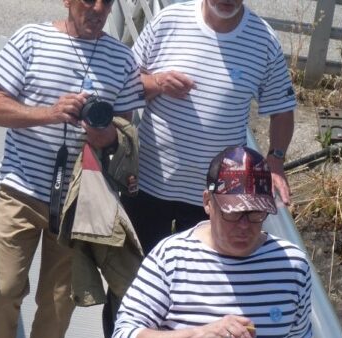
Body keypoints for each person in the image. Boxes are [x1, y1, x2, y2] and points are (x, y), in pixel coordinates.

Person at [0, 0, 145, 338]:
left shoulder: (122, 60)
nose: (98, 9)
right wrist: (51, 113)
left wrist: (107, 135)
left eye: (107, 2)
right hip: (21, 190)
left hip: (79, 201)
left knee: (58, 305)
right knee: (4, 289)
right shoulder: (31, 39)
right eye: (88, 0)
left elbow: (125, 130)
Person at [111, 146, 312, 338]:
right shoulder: (171, 256)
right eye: (232, 212)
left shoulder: (292, 267)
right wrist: (204, 334)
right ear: (208, 202)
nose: (244, 225)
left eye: (255, 213)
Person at [121, 0, 297, 255]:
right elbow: (125, 83)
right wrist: (157, 82)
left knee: (202, 274)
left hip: (218, 194)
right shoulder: (167, 21)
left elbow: (282, 108)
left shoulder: (264, 40)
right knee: (136, 268)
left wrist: (276, 161)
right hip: (149, 183)